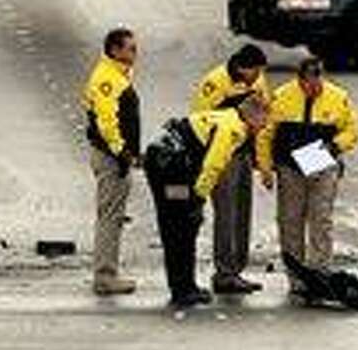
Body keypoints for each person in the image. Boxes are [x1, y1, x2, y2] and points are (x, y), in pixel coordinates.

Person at [143, 96, 270, 308]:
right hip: (169, 167)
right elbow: (213, 166)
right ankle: (181, 291)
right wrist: (198, 198)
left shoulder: (230, 117)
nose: (265, 126)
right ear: (251, 117)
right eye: (263, 121)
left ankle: (187, 286)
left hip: (172, 161)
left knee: (186, 226)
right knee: (178, 226)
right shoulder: (232, 130)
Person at [256, 57, 358, 300]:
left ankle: (319, 272)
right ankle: (296, 276)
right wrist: (265, 169)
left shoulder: (338, 97)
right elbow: (265, 134)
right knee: (290, 220)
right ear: (300, 80)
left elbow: (353, 130)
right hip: (290, 167)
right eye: (308, 84)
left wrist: (334, 147)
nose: (313, 89)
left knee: (321, 219)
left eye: (317, 83)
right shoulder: (282, 97)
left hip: (322, 163)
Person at [189, 44, 272, 295]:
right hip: (222, 154)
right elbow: (199, 120)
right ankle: (224, 273)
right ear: (240, 68)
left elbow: (263, 118)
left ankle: (237, 268)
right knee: (226, 214)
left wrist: (261, 161)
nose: (258, 78)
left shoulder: (257, 80)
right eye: (254, 72)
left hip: (244, 153)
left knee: (242, 212)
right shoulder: (215, 83)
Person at [82, 28, 140, 296]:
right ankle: (105, 277)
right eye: (131, 49)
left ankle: (107, 273)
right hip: (110, 157)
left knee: (113, 216)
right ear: (115, 50)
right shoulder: (108, 79)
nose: (135, 54)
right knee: (110, 217)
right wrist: (123, 153)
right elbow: (107, 123)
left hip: (112, 155)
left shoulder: (117, 74)